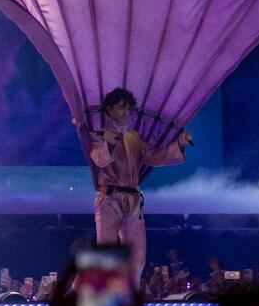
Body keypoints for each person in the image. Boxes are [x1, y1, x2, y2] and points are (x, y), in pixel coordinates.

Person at [76, 87, 192, 289]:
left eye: (128, 109)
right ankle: (85, 297)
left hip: (133, 201)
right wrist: (108, 143)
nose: (125, 113)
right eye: (121, 108)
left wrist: (179, 145)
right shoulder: (99, 136)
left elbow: (153, 157)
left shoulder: (133, 137)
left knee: (138, 256)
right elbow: (100, 160)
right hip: (109, 199)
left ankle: (130, 298)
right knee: (106, 253)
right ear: (109, 109)